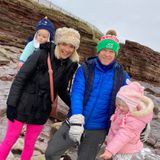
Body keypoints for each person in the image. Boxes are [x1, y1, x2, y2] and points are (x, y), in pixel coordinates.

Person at [45, 30, 130, 160]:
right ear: (99, 51)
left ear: (115, 54)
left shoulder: (122, 76)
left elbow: (133, 98)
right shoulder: (85, 68)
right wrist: (77, 118)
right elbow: (77, 93)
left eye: (111, 52)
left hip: (98, 129)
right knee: (51, 153)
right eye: (104, 50)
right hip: (74, 121)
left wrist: (143, 121)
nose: (107, 54)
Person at [0, 27, 80, 160]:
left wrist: (77, 108)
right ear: (58, 43)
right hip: (22, 104)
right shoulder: (42, 54)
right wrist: (11, 104)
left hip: (42, 109)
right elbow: (20, 78)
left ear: (75, 49)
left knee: (30, 143)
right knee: (10, 139)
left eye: (71, 46)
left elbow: (62, 89)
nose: (67, 49)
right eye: (64, 44)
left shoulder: (71, 65)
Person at [100, 80, 154, 160]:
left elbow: (123, 135)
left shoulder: (134, 120)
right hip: (117, 147)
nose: (120, 107)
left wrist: (110, 150)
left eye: (124, 106)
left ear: (132, 105)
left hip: (125, 150)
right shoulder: (122, 110)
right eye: (118, 104)